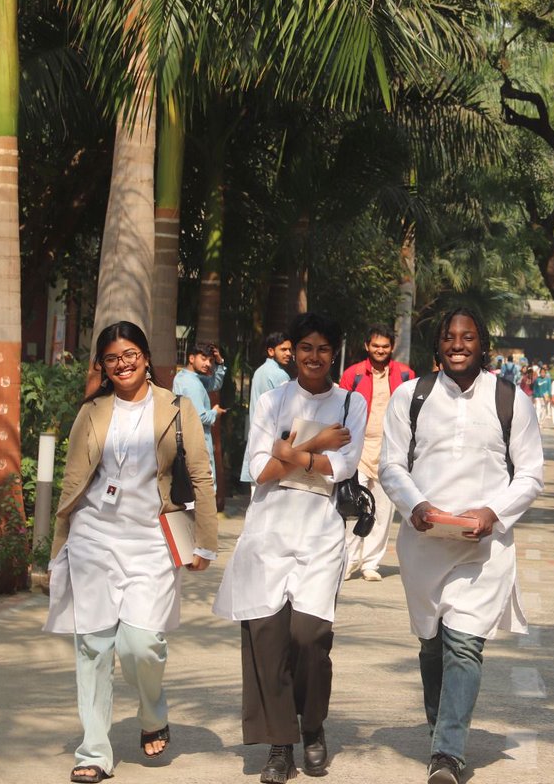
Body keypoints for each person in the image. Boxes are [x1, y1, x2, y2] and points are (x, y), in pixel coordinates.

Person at [44, 321, 218, 784]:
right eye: (112, 358)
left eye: (131, 354)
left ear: (146, 357)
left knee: (141, 642)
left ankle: (151, 711)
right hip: (94, 535)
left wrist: (205, 541)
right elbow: (73, 480)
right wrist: (59, 546)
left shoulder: (176, 407)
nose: (122, 364)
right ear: (102, 365)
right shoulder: (93, 410)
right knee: (94, 645)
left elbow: (201, 476)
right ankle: (94, 750)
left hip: (150, 539)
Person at [379, 307, 545, 784]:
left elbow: (531, 473)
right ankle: (441, 730)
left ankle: (447, 754)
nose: (458, 344)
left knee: (465, 645)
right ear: (438, 346)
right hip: (424, 541)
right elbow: (392, 465)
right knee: (432, 645)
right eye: (449, 337)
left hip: (483, 547)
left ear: (482, 344)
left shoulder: (511, 399)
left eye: (467, 337)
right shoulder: (411, 397)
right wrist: (416, 505)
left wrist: (493, 513)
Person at [213, 313, 367, 784]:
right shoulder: (270, 399)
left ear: (334, 352)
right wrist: (316, 443)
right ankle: (280, 745)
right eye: (305, 347)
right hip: (268, 531)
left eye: (323, 348)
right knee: (266, 638)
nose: (314, 356)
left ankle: (313, 725)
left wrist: (286, 450)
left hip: (320, 533)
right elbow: (259, 471)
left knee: (308, 637)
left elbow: (342, 467)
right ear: (292, 351)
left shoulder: (351, 404)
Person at [338, 325, 415, 581]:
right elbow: (340, 409)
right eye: (375, 346)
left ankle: (371, 563)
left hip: (391, 451)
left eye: (385, 346)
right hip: (357, 450)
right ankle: (347, 561)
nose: (380, 350)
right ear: (367, 346)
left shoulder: (405, 375)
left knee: (383, 509)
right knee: (352, 506)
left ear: (391, 347)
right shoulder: (353, 374)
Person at [240, 333, 293, 495]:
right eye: (283, 349)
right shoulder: (280, 376)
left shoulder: (260, 371)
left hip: (257, 440)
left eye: (290, 349)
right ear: (271, 351)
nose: (288, 354)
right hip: (272, 444)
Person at [172, 341, 227, 486]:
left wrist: (220, 363)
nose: (208, 364)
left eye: (210, 360)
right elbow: (200, 416)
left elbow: (215, 384)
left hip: (188, 443)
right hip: (196, 443)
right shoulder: (191, 384)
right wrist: (215, 412)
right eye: (203, 358)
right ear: (191, 358)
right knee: (204, 487)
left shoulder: (186, 377)